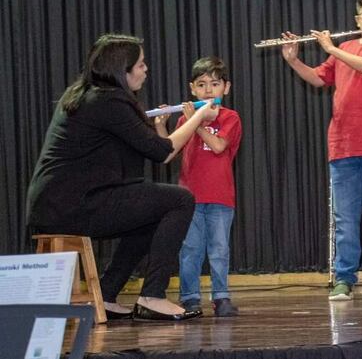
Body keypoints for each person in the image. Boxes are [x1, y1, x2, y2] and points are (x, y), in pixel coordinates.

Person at [27, 34, 219, 321]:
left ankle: (106, 294)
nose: (145, 69)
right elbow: (163, 150)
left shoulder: (87, 95)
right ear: (122, 69)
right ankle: (153, 296)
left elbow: (160, 153)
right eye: (140, 64)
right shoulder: (108, 101)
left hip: (58, 204)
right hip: (72, 207)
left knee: (152, 206)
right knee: (180, 199)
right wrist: (198, 116)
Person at [281, 0, 362, 301]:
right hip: (342, 146)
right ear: (357, 19)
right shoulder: (347, 47)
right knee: (345, 219)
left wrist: (331, 49)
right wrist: (294, 60)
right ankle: (344, 279)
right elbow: (317, 78)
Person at [155, 56, 242, 317]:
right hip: (189, 197)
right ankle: (190, 297)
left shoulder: (230, 118)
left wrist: (198, 122)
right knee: (190, 249)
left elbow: (218, 146)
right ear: (192, 89)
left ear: (225, 88)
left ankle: (221, 298)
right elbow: (169, 151)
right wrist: (161, 127)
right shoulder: (184, 121)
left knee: (219, 250)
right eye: (202, 85)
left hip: (220, 197)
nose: (208, 90)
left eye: (215, 84)